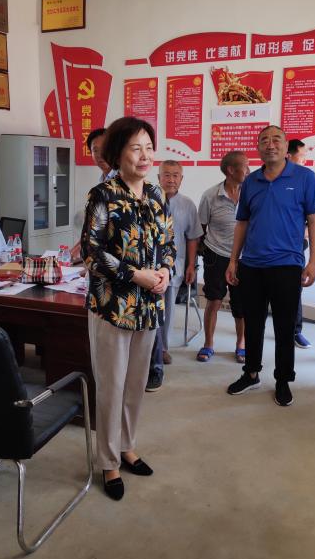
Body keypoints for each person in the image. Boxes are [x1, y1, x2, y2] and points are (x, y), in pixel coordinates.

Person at [80, 116, 174, 500]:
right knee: (111, 385)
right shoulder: (102, 195)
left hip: (148, 306)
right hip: (112, 306)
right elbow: (91, 252)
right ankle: (108, 461)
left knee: (135, 384)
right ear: (118, 153)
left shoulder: (156, 194)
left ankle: (127, 446)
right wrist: (136, 275)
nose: (145, 155)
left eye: (149, 148)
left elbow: (167, 243)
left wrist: (165, 270)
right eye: (136, 148)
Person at [225, 125, 315, 406]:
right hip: (252, 265)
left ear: (285, 145)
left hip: (287, 265)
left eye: (276, 139)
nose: (270, 145)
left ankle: (283, 379)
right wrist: (233, 260)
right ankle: (251, 373)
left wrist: (313, 261)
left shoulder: (304, 177)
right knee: (253, 323)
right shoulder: (251, 181)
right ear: (258, 147)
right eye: (264, 140)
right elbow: (242, 223)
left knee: (284, 326)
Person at [146, 160, 202, 390]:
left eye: (175, 175)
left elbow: (193, 237)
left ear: (181, 179)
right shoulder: (147, 200)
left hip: (174, 266)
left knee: (167, 310)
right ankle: (150, 350)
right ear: (158, 178)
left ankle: (163, 349)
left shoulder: (187, 205)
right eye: (166, 175)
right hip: (148, 267)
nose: (170, 179)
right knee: (150, 310)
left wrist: (191, 266)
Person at [196, 151, 248, 364]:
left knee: (241, 305)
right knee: (213, 301)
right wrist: (198, 256)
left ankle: (241, 345)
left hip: (245, 258)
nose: (249, 170)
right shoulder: (210, 196)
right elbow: (200, 228)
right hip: (216, 255)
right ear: (231, 170)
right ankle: (208, 344)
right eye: (245, 166)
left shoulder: (251, 193)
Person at [72, 128, 116, 261]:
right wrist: (81, 245)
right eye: (95, 150)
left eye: (105, 148)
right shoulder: (103, 181)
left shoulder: (122, 180)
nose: (99, 154)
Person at [287, 138, 312, 349]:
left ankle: (295, 331)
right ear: (289, 156)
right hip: (269, 244)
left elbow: (314, 214)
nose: (305, 159)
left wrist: (306, 230)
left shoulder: (306, 179)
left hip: (296, 244)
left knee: (295, 289)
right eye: (302, 155)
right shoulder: (266, 178)